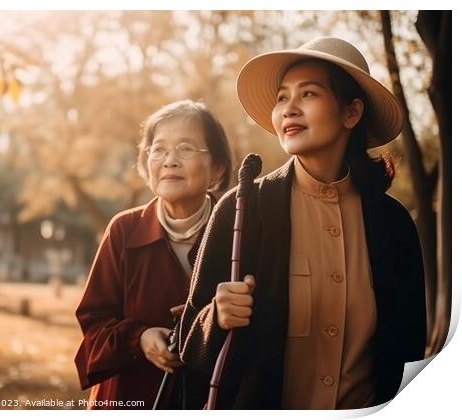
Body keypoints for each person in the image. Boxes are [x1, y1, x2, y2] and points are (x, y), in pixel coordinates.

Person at [178, 37, 427, 410]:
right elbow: (188, 343)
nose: (288, 109)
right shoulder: (242, 209)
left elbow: (409, 350)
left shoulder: (393, 225)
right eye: (281, 98)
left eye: (308, 94)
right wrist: (218, 315)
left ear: (351, 113)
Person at [75, 100, 233, 409]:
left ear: (217, 167)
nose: (169, 161)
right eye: (158, 150)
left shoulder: (237, 232)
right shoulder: (124, 230)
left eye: (186, 149)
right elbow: (93, 324)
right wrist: (141, 338)